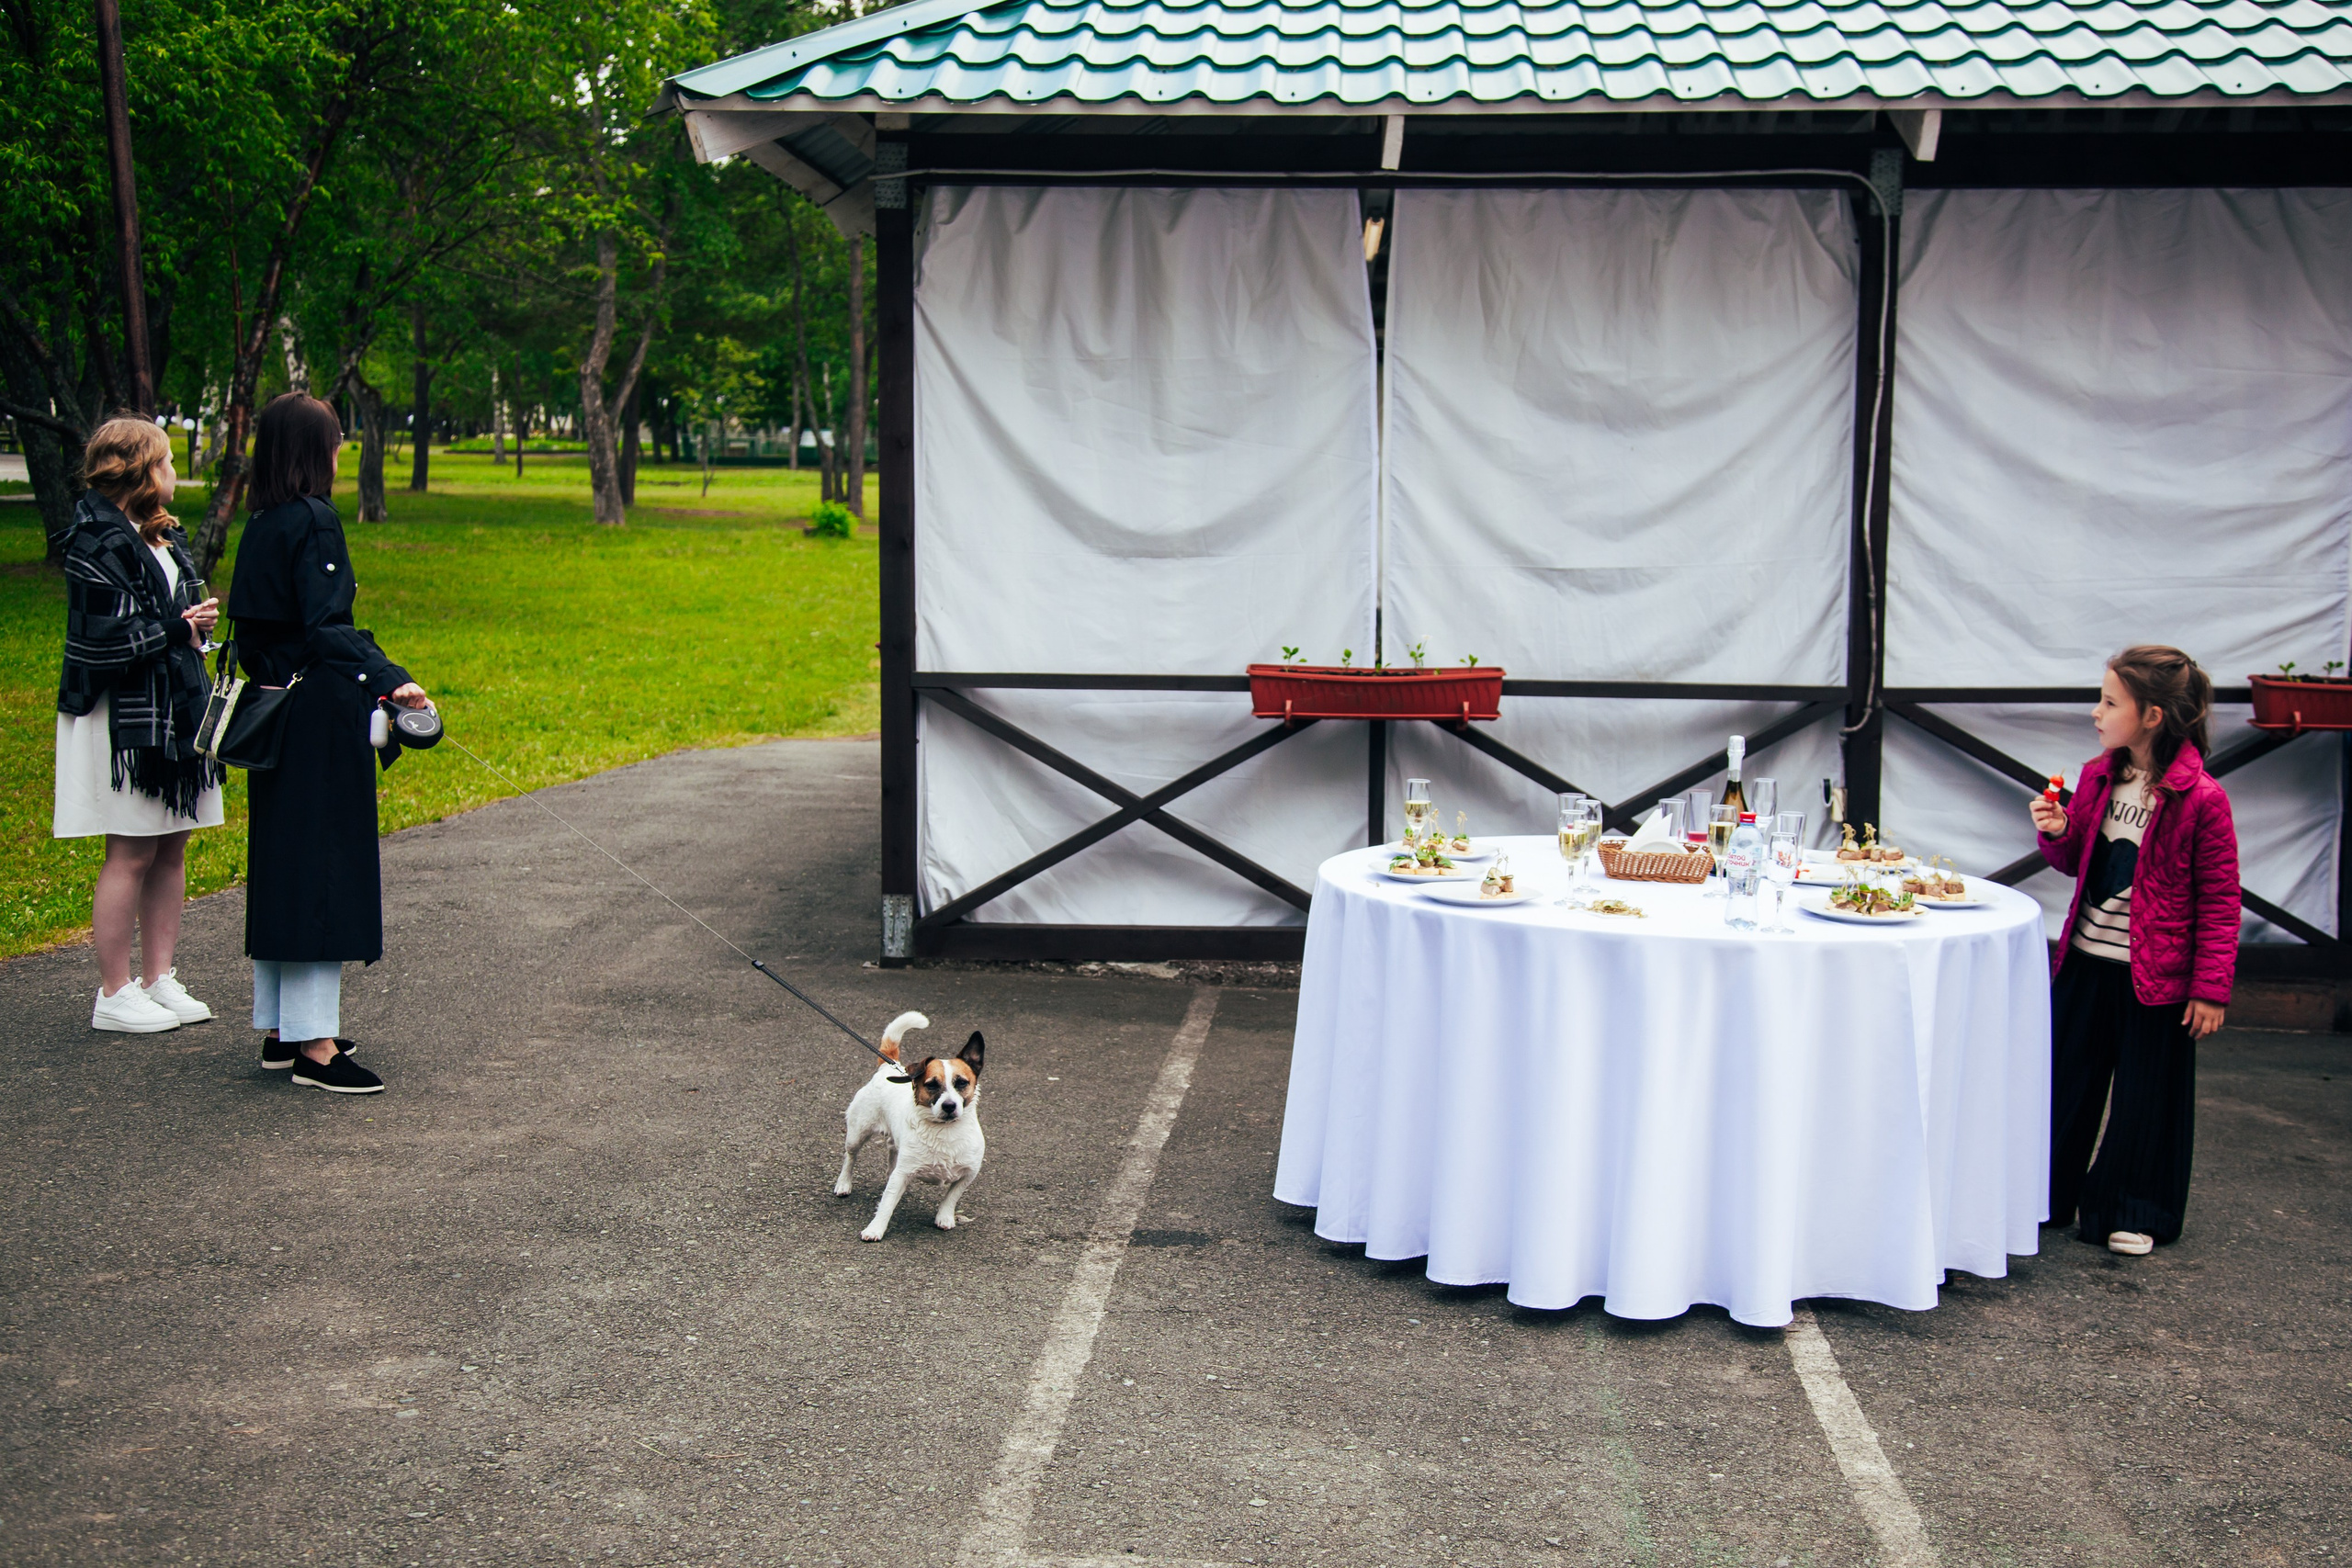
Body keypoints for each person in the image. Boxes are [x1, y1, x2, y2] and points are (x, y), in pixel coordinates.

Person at [225, 393, 430, 1095]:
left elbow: (255, 633)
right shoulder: (315, 520)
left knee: (285, 861)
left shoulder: (261, 523)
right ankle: (315, 1045)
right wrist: (393, 679)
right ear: (317, 451)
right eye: (337, 442)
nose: (343, 454)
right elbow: (326, 626)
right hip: (317, 718)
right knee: (322, 868)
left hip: (275, 711)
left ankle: (283, 1029)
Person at [2031, 645, 2239, 1258]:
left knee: (2148, 1097)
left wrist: (2209, 988)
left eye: (2110, 701)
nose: (2097, 712)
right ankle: (2047, 1194)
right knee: (2065, 1082)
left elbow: (2221, 900)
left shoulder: (2201, 798)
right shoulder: (2100, 775)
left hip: (2157, 978)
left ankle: (2133, 1206)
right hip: (2087, 961)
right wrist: (2058, 831)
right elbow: (2076, 864)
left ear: (2151, 715)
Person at [54, 416, 225, 1032]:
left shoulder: (161, 534)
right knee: (129, 848)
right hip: (124, 719)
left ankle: (158, 975)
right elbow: (103, 642)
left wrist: (194, 624)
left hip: (173, 705)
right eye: (167, 461)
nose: (175, 472)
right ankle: (113, 991)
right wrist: (181, 626)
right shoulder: (94, 540)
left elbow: (168, 615)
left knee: (171, 841)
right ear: (138, 469)